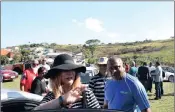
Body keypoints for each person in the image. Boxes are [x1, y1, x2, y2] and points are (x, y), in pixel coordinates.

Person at [34, 54, 100, 110]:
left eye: (72, 69)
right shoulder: (51, 96)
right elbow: (36, 110)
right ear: (57, 75)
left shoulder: (85, 93)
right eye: (65, 70)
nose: (70, 73)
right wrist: (62, 100)